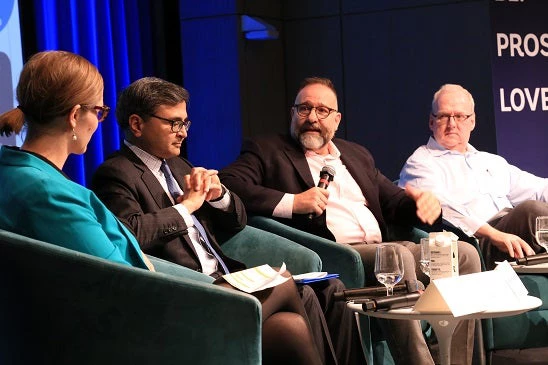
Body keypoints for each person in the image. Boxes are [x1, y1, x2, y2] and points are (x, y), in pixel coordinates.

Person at [0, 51, 325, 365]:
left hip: (146, 300)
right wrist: (186, 216)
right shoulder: (52, 192)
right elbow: (119, 277)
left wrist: (214, 195)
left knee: (288, 328)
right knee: (281, 282)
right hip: (140, 322)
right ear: (74, 116)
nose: (98, 122)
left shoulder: (15, 172)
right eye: (98, 112)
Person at [90, 76, 365, 365]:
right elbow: (129, 235)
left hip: (227, 276)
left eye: (186, 123)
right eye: (174, 123)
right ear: (136, 124)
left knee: (326, 295)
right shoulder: (116, 174)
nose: (183, 133)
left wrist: (219, 194)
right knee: (289, 291)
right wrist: (186, 207)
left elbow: (237, 222)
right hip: (192, 288)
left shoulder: (178, 164)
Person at [220, 76, 482, 365]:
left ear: (336, 119)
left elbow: (393, 201)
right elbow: (231, 183)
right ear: (292, 113)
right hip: (336, 252)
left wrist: (419, 203)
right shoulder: (267, 149)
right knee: (395, 255)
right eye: (304, 109)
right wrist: (293, 202)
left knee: (465, 254)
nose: (311, 118)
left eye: (322, 111)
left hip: (385, 246)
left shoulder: (356, 154)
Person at [398, 83, 543, 270]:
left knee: (538, 209)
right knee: (532, 212)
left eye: (459, 116)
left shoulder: (491, 161)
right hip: (473, 244)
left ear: (472, 121)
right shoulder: (421, 162)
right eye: (443, 116)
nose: (452, 124)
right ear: (431, 122)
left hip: (513, 235)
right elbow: (441, 208)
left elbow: (537, 189)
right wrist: (493, 234)